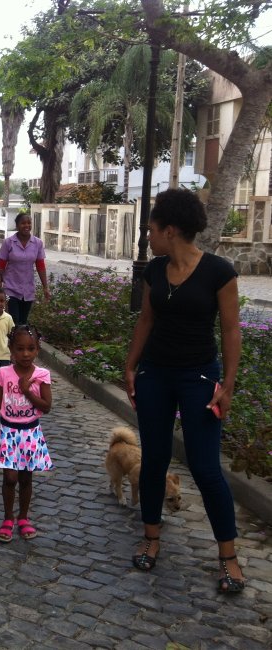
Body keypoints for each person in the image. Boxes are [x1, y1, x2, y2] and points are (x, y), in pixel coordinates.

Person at [123, 189, 245, 593]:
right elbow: (145, 321)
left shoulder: (219, 272)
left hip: (200, 379)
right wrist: (131, 365)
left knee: (206, 467)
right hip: (156, 375)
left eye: (152, 229)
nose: (149, 237)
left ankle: (228, 557)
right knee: (154, 460)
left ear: (170, 230)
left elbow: (230, 330)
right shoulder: (155, 270)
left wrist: (227, 384)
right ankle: (152, 537)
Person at [0, 325, 53, 543]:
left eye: (30, 349)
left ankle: (23, 517)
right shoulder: (4, 373)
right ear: (11, 349)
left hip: (30, 432)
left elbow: (47, 406)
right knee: (9, 477)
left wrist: (26, 391)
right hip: (8, 430)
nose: (25, 354)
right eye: (20, 349)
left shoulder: (42, 375)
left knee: (25, 477)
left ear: (37, 350)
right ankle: (7, 518)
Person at [0, 212, 50, 325]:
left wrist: (46, 287)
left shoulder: (37, 243)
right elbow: (1, 266)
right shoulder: (8, 243)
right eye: (23, 223)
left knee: (23, 322)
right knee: (13, 320)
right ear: (17, 225)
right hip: (10, 288)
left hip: (28, 290)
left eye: (29, 223)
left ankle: (18, 342)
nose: (26, 226)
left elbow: (40, 266)